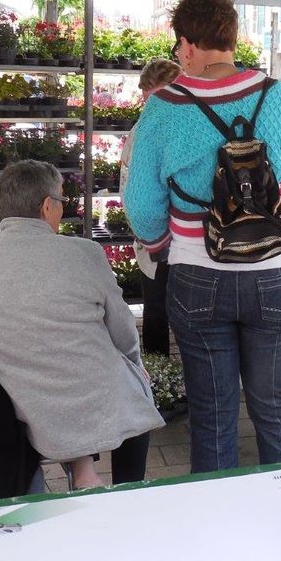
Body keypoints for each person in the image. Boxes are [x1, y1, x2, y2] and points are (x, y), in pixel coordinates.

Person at [124, 0, 281, 474]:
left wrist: (164, 243)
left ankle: (219, 532)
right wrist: (276, 208)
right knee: (277, 407)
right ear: (231, 38)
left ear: (188, 44)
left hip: (197, 276)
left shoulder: (164, 106)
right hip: (275, 273)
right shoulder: (280, 97)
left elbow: (142, 201)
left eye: (178, 48)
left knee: (212, 416)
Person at [0, 160, 164, 488]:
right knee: (134, 390)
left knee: (50, 379)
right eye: (60, 200)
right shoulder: (85, 253)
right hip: (95, 399)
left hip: (20, 403)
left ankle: (79, 469)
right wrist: (133, 362)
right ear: (46, 206)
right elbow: (123, 329)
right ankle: (126, 487)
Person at [118, 58, 182, 356]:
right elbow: (128, 188)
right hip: (158, 241)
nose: (153, 110)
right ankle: (158, 381)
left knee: (190, 316)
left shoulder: (192, 127)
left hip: (189, 241)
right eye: (148, 101)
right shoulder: (139, 133)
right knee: (156, 313)